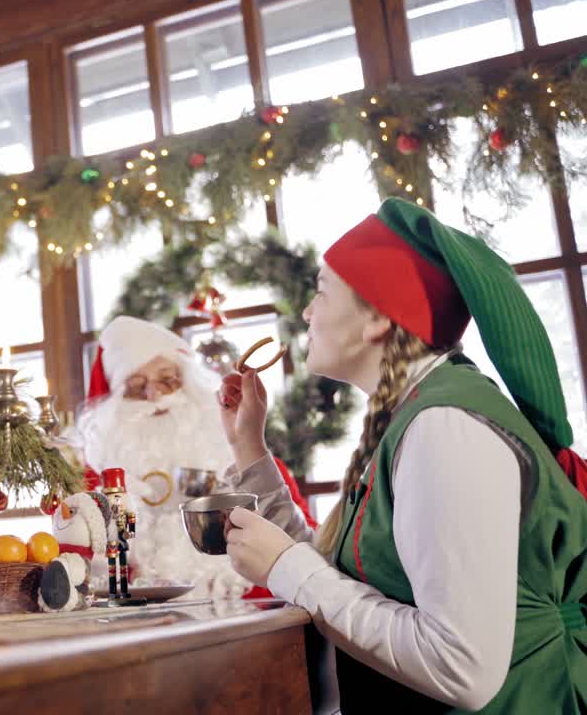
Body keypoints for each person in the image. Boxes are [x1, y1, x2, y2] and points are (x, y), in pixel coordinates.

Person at [218, 198, 587, 713]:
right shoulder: (412, 416)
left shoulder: (444, 430)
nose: (305, 312)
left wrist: (286, 567)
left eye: (321, 294)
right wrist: (249, 448)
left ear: (375, 319)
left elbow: (463, 669)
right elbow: (341, 583)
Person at [73, 315, 315, 599]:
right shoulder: (94, 488)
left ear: (190, 383)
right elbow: (81, 571)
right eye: (137, 386)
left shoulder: (252, 468)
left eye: (167, 380)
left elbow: (303, 554)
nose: (154, 396)